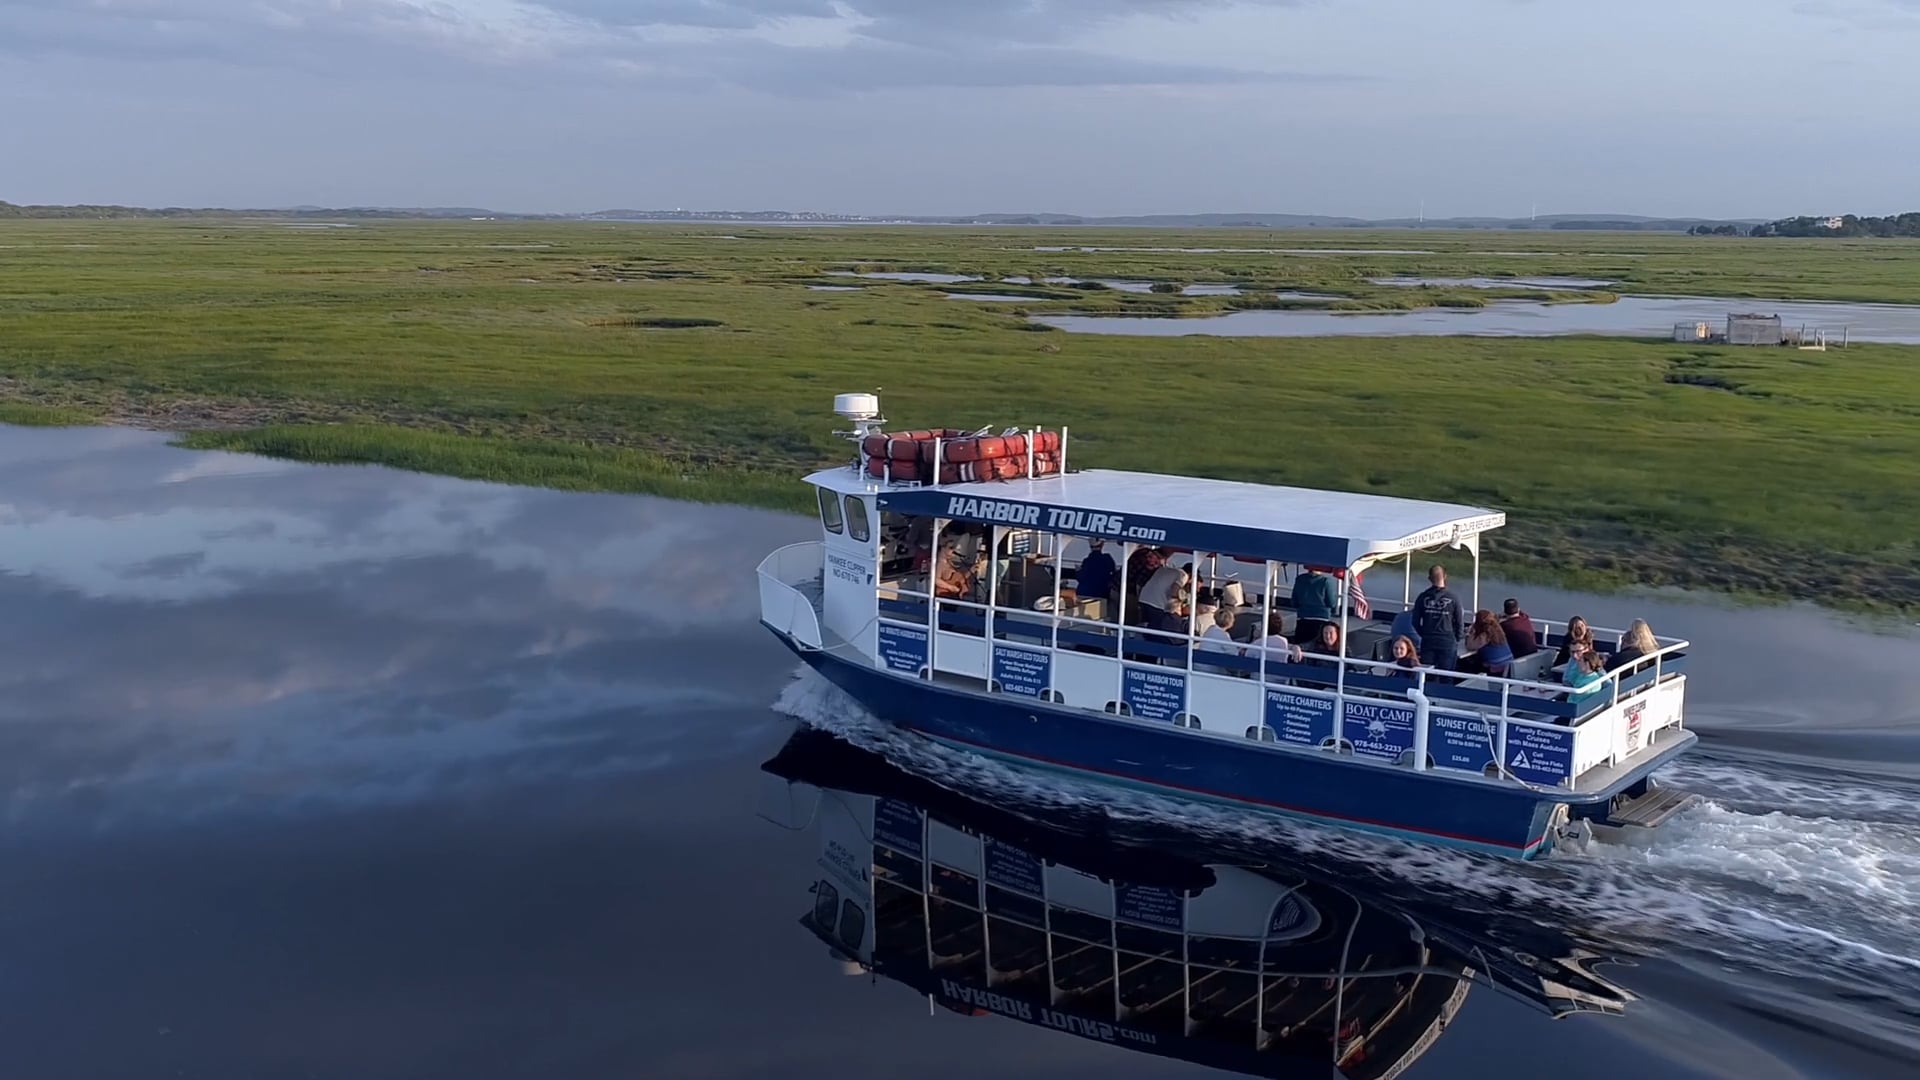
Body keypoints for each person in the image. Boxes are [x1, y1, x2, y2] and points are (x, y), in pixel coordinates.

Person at [1412, 564, 1465, 671]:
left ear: (1429, 579)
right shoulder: (1453, 598)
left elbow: (1415, 622)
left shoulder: (1422, 597)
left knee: (1427, 674)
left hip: (1428, 640)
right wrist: (1457, 638)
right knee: (1447, 675)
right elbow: (1459, 622)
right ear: (1445, 576)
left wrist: (1424, 634)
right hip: (1447, 639)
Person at [1290, 566, 1338, 645]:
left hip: (1303, 618)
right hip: (1321, 619)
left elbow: (1294, 602)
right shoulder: (1326, 581)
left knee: (1301, 646)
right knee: (1317, 646)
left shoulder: (1299, 580)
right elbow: (1331, 603)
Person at [1460, 609, 1514, 677]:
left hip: (1496, 666)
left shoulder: (1485, 634)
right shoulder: (1498, 630)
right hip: (1508, 664)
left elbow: (1470, 646)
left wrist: (1469, 633)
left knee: (1468, 665)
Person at [1563, 647, 1610, 714]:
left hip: (1576, 713)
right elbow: (1568, 680)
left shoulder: (1592, 681)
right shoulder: (1582, 675)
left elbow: (1576, 702)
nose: (1577, 664)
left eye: (1580, 661)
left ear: (1587, 664)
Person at [1074, 539, 1117, 604]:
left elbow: (1081, 578)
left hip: (1084, 593)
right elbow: (1113, 575)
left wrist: (1078, 571)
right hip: (1101, 594)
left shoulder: (1087, 561)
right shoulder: (1107, 559)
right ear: (1102, 544)